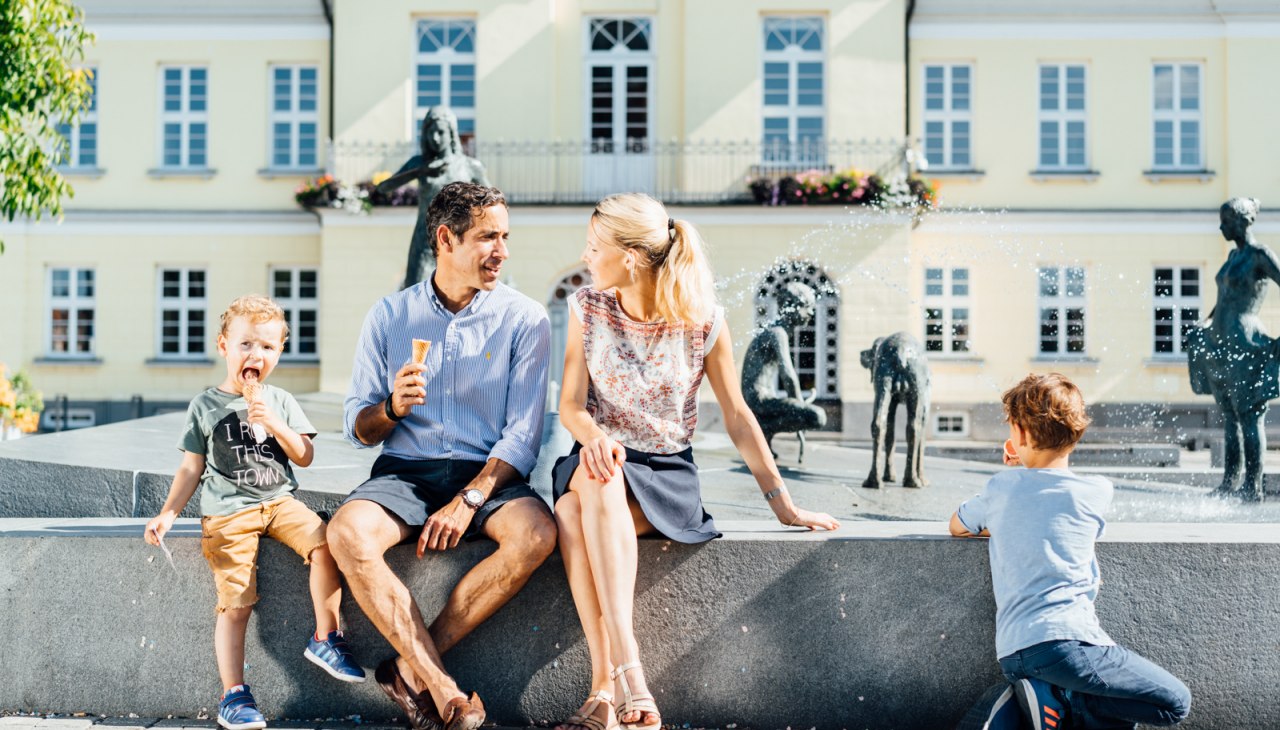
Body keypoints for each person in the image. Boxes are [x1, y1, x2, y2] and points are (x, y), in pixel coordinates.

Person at [552, 193, 840, 730]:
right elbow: (569, 406)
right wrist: (593, 436)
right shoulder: (586, 309)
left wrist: (785, 505)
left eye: (595, 248)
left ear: (631, 257)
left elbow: (737, 416)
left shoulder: (703, 321)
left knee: (572, 516)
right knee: (598, 480)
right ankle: (629, 673)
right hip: (597, 458)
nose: (587, 257)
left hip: (664, 473)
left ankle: (602, 690)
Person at [326, 181, 556, 730]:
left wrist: (469, 499)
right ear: (446, 239)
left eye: (505, 236)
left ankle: (409, 670)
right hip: (406, 471)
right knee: (346, 534)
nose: (501, 250)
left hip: (488, 475)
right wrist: (391, 408)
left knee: (537, 535)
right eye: (486, 237)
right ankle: (444, 686)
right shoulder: (389, 317)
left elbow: (524, 437)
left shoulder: (525, 319)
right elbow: (358, 428)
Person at [145, 295, 365, 730]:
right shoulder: (205, 406)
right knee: (236, 600)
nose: (255, 355)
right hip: (228, 514)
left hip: (280, 502)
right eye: (246, 345)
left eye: (266, 347)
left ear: (278, 353)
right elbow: (191, 466)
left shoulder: (280, 400)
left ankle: (326, 637)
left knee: (327, 543)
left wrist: (275, 422)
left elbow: (304, 456)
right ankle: (234, 694)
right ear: (223, 346)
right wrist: (169, 512)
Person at [949, 373, 1190, 730]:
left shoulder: (1001, 489)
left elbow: (957, 525)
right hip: (1069, 645)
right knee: (1175, 703)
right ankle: (1063, 698)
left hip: (1014, 652)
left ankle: (1044, 698)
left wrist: (1009, 487)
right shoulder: (1096, 491)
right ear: (1075, 435)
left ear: (1021, 435)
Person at [1186, 197, 1280, 501]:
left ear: (1242, 221)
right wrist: (1205, 322)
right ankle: (1229, 482)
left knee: (1248, 414)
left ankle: (1252, 487)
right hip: (1219, 340)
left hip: (1245, 341)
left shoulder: (1259, 255)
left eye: (1226, 221)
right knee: (1229, 415)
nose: (1221, 226)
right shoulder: (1232, 255)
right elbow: (1223, 298)